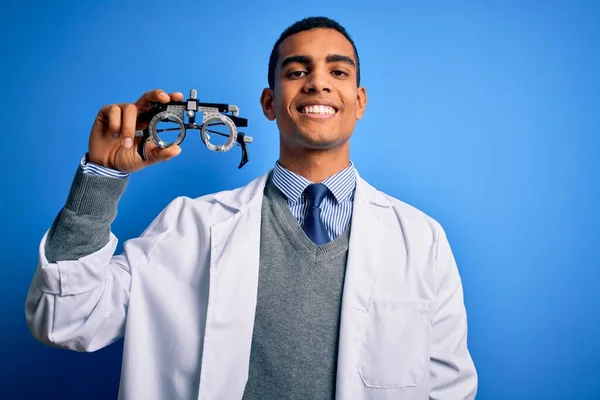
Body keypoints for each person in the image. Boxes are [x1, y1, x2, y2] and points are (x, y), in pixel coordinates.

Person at [25, 16, 477, 400]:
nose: (318, 81)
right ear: (268, 103)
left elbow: (449, 388)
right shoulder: (192, 227)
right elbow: (65, 319)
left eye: (338, 72)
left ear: (358, 102)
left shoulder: (420, 238)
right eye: (297, 71)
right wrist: (101, 177)